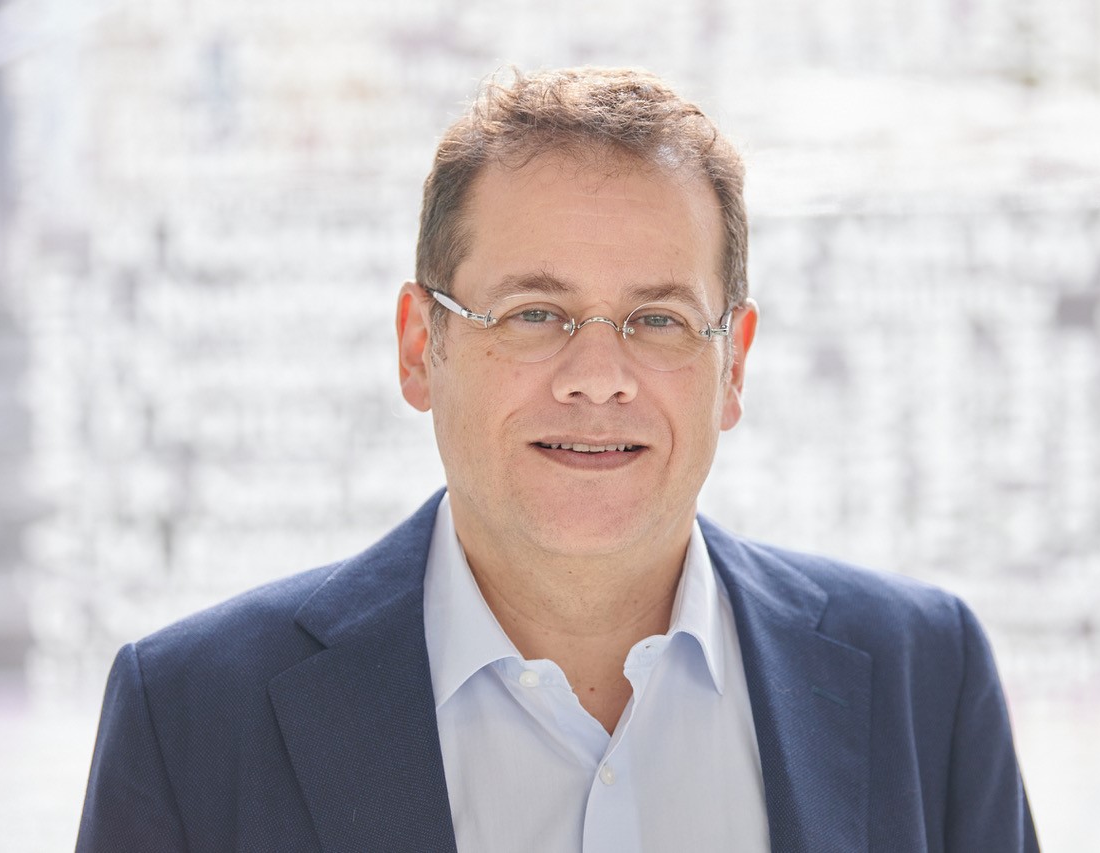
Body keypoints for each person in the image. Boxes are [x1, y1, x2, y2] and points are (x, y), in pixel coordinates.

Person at [77, 67, 1039, 852]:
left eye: (657, 319)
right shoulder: (192, 716)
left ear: (734, 366)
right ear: (419, 347)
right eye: (534, 313)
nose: (598, 378)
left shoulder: (925, 678)